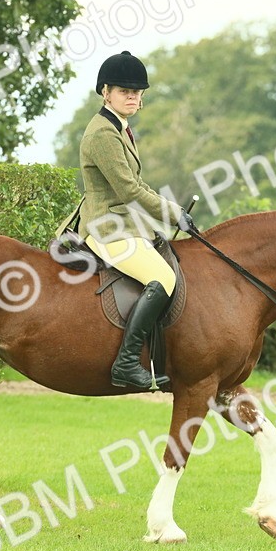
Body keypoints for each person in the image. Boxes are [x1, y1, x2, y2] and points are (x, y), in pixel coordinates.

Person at [77, 51, 195, 388]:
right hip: (106, 228)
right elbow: (129, 190)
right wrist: (174, 214)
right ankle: (126, 364)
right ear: (106, 92)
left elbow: (137, 186)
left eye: (137, 91)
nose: (133, 96)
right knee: (162, 277)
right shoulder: (102, 134)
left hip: (124, 224)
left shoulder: (120, 127)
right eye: (124, 91)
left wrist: (171, 215)